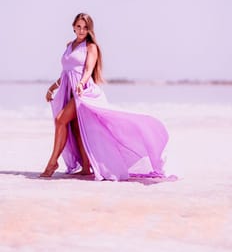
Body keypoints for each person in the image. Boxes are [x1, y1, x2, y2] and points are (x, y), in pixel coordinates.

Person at [40, 13, 170, 181]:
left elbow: (87, 69)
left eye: (85, 27)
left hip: (83, 91)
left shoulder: (90, 46)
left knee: (60, 120)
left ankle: (52, 163)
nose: (81, 30)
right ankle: (86, 168)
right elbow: (66, 71)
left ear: (89, 30)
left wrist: (81, 83)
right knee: (77, 129)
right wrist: (53, 87)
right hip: (68, 90)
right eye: (78, 26)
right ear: (73, 26)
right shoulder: (69, 45)